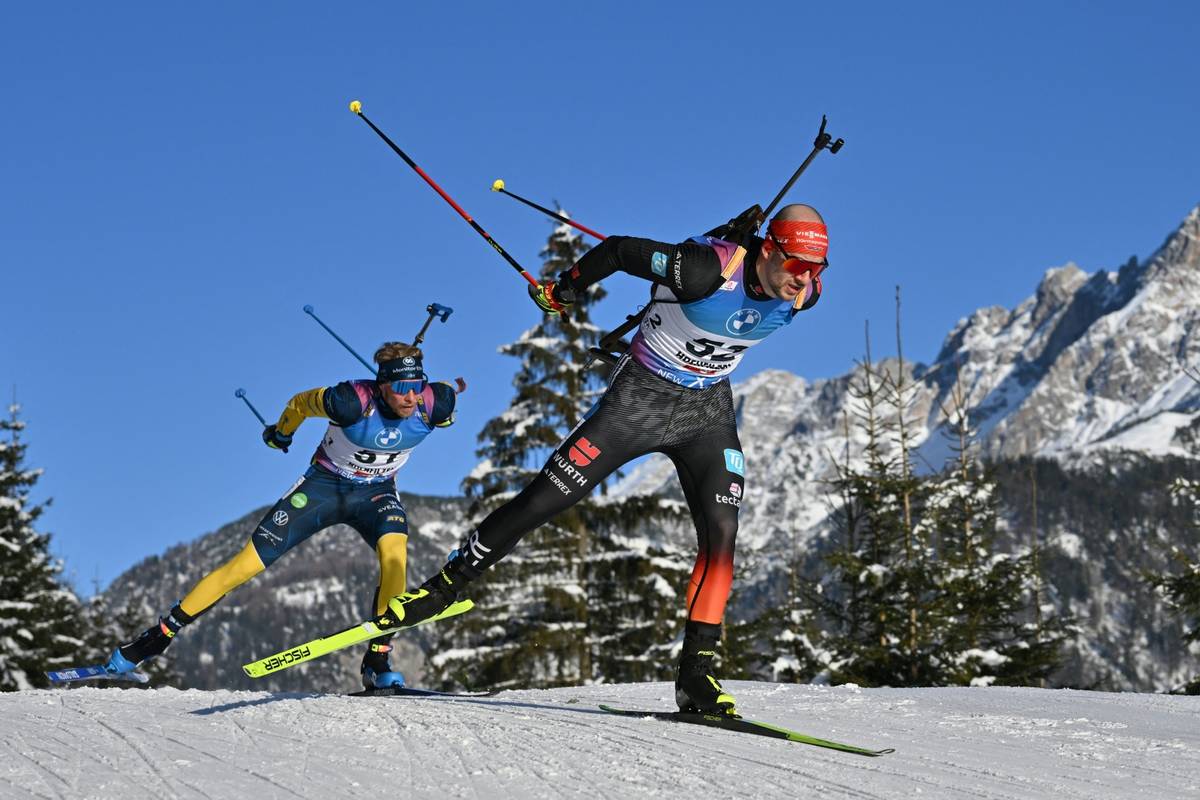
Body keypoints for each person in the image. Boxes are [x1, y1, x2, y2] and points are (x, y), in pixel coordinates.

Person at [383, 203, 829, 715]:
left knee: (722, 534)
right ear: (769, 250)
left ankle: (697, 677)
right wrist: (565, 287)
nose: (805, 281)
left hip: (706, 412)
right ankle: (443, 588)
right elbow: (618, 250)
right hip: (638, 402)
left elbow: (787, 290)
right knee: (544, 500)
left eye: (817, 270)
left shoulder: (807, 293)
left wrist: (799, 274)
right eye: (797, 266)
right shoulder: (705, 268)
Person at [108, 342, 464, 690]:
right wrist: (281, 433)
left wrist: (449, 395)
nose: (411, 397)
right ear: (382, 385)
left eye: (418, 386)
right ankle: (155, 638)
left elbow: (449, 394)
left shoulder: (434, 403)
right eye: (402, 388)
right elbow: (299, 403)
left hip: (377, 494)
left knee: (395, 557)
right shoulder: (350, 400)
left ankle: (378, 660)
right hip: (323, 490)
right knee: (245, 565)